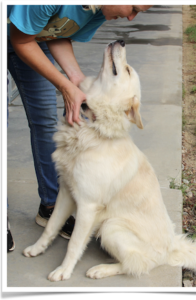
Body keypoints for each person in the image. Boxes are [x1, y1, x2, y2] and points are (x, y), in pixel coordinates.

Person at [7, 5, 153, 252]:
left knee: (44, 121)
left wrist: (75, 80)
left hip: (33, 38)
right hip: (19, 34)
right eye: (134, 7)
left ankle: (50, 206)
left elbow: (56, 31)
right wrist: (65, 87)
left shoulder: (97, 11)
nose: (131, 17)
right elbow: (20, 38)